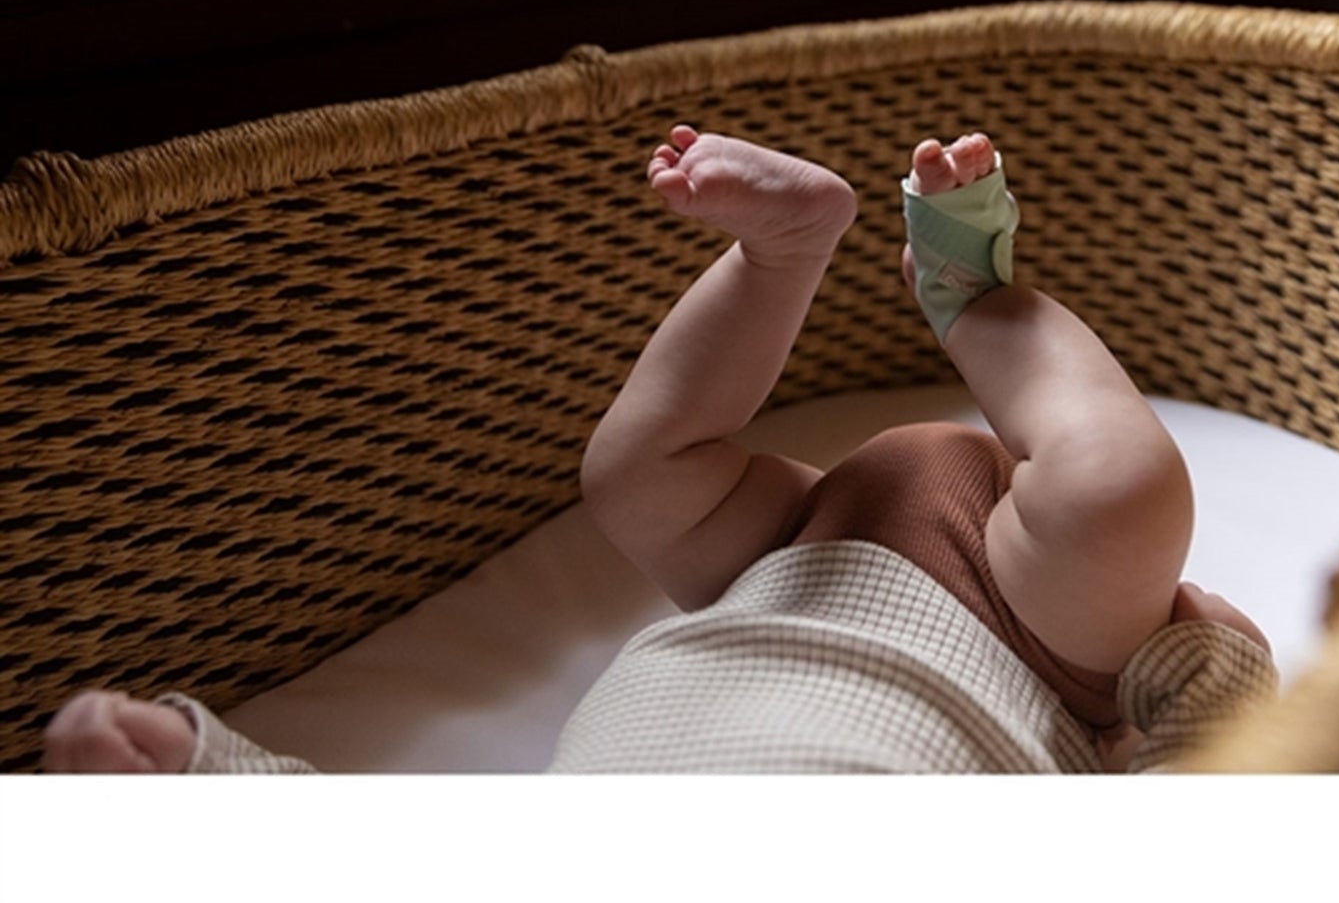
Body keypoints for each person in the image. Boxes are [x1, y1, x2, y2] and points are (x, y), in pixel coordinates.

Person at [43, 127, 1276, 775]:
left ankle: (791, 256)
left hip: (884, 609)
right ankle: (932, 297)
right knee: (1113, 496)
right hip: (987, 630)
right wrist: (1206, 677)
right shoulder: (1055, 638)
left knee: (635, 478)